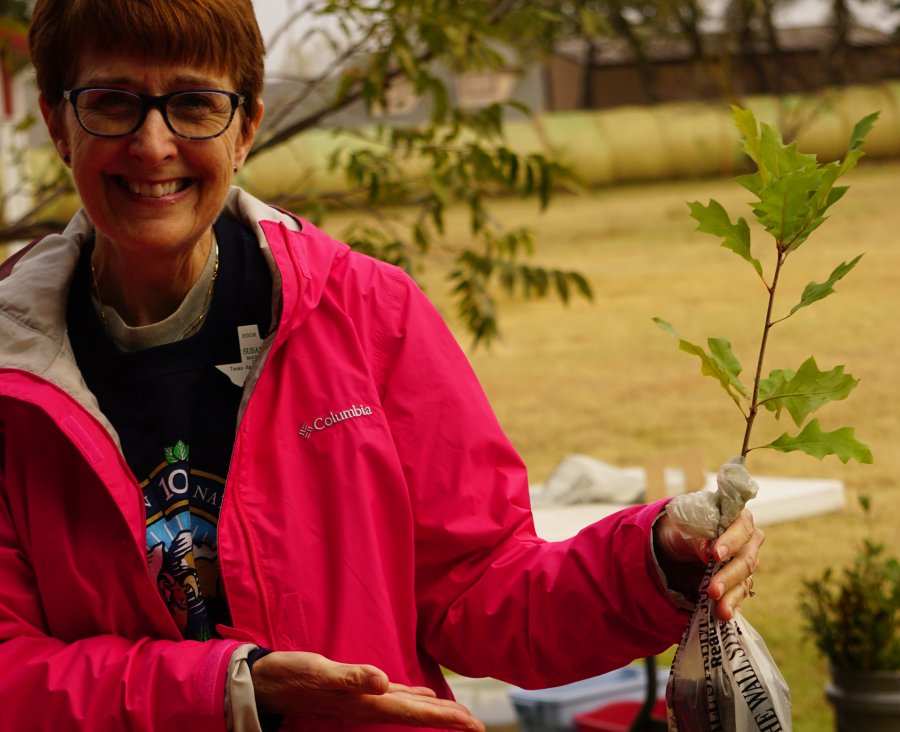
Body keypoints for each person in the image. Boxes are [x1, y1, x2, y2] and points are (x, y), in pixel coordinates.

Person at [0, 1, 764, 730]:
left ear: (246, 128)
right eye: (111, 102)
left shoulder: (365, 313)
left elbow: (476, 588)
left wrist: (653, 559)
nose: (153, 144)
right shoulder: (13, 371)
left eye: (195, 104)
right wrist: (231, 692)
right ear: (57, 124)